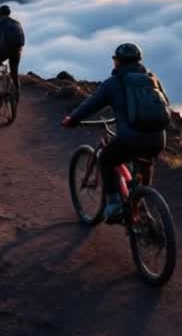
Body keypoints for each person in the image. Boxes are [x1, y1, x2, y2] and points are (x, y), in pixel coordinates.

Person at [62, 43, 169, 223]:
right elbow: (164, 102)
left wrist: (72, 120)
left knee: (106, 158)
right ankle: (141, 202)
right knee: (145, 161)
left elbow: (91, 105)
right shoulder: (152, 78)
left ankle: (114, 204)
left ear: (117, 61)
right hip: (157, 139)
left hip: (130, 139)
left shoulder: (113, 83)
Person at [0, 4, 25, 97]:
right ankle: (17, 91)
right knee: (14, 71)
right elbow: (22, 39)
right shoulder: (17, 23)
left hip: (4, 49)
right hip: (17, 50)